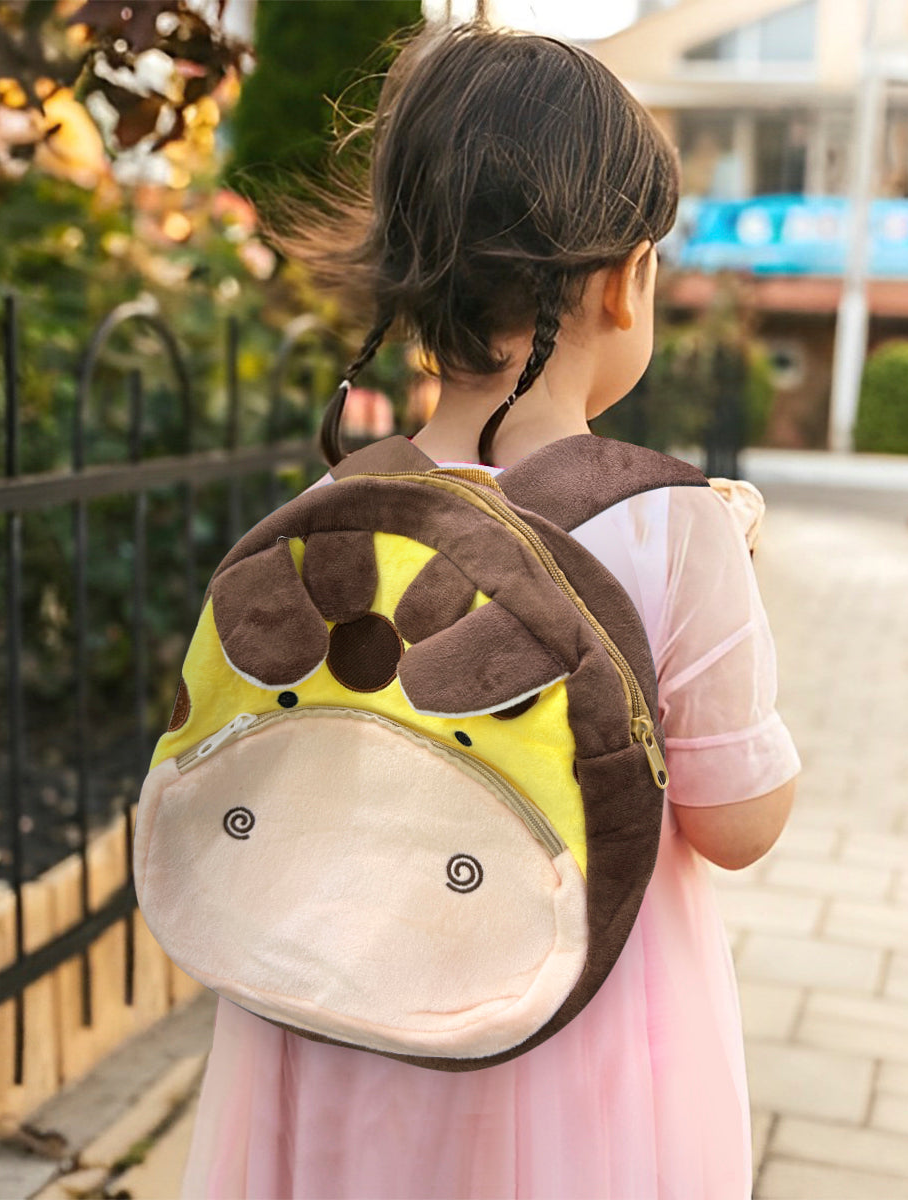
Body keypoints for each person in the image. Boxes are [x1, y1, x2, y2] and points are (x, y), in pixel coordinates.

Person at [180, 19, 800, 1199]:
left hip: (336, 1027)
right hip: (566, 1055)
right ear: (624, 280)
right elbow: (738, 823)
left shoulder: (332, 507)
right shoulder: (677, 524)